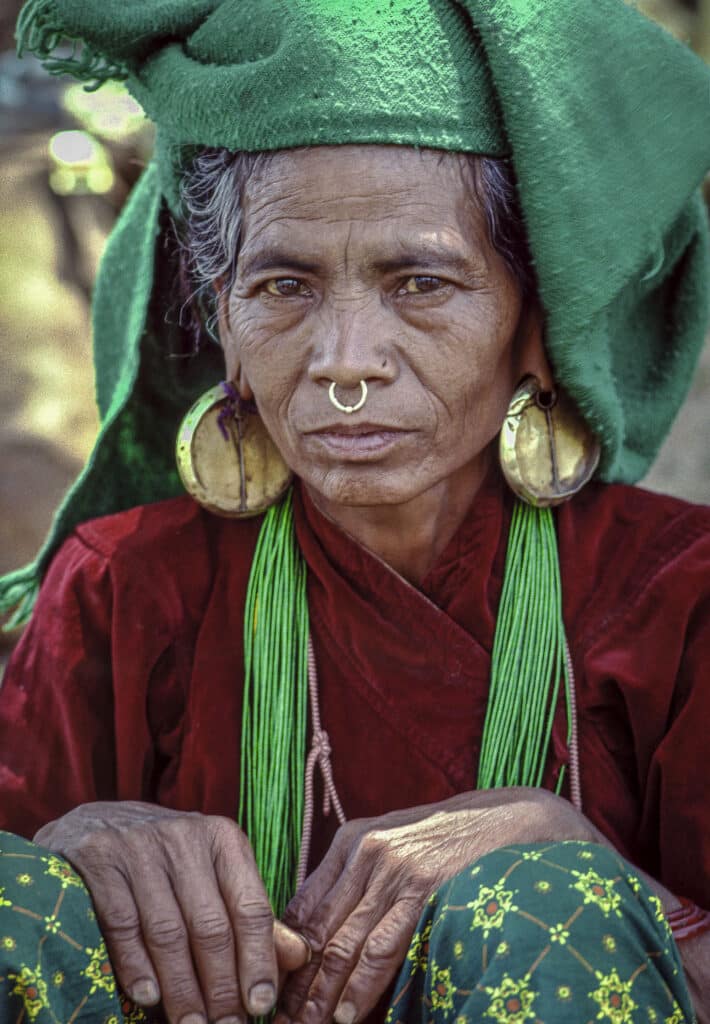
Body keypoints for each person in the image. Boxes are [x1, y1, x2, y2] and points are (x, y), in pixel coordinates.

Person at [0, 0, 709, 1021]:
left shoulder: (673, 595)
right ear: (221, 321)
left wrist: (585, 866)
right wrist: (73, 848)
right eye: (281, 286)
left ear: (534, 318)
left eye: (419, 281)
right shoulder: (124, 585)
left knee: (541, 899)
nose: (343, 362)